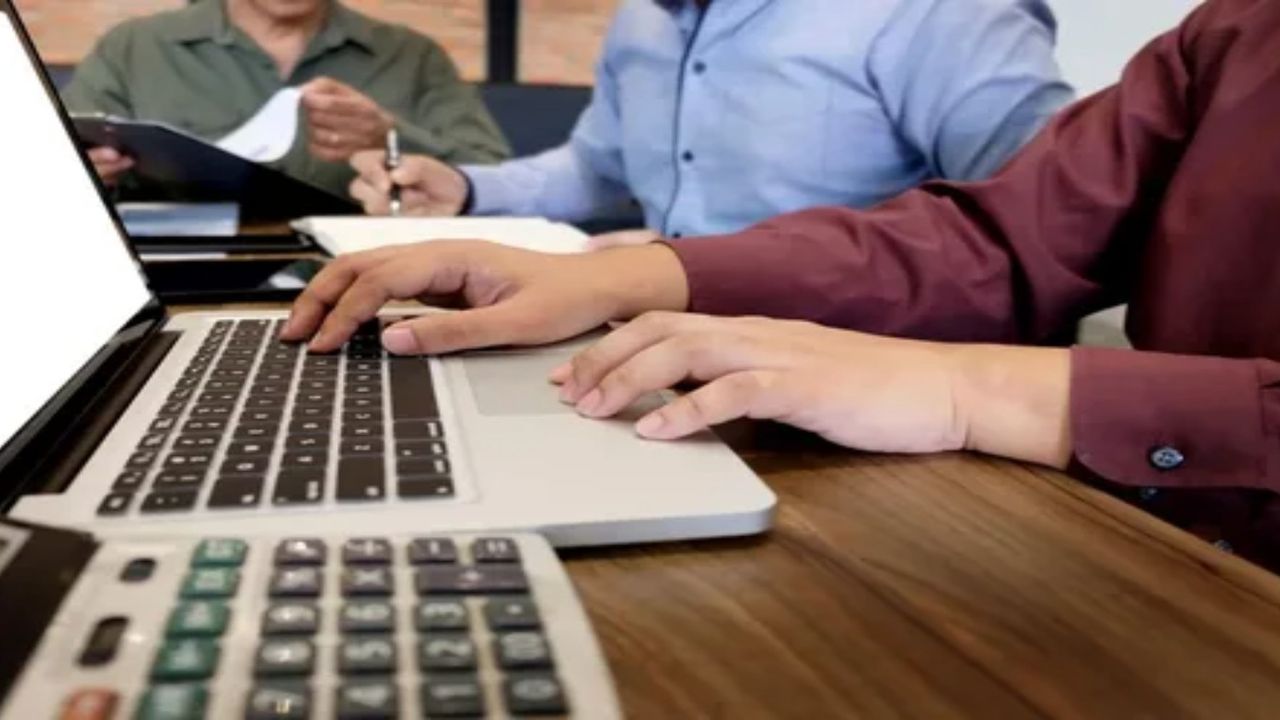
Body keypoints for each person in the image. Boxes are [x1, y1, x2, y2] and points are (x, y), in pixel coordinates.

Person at [283, 0, 1280, 570]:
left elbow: (1009, 227)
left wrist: (955, 385)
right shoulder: (1235, 32)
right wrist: (614, 270)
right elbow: (1004, 228)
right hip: (732, 353)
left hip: (900, 392)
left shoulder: (936, 13)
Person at [346, 0, 1072, 241]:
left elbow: (1044, 230)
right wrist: (468, 191)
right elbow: (597, 169)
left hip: (866, 389)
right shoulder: (641, 20)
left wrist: (709, 278)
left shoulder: (938, 13)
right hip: (656, 354)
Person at [62, 0, 510, 199]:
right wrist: (92, 177)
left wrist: (391, 136)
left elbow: (493, 179)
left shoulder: (412, 55)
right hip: (182, 282)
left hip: (367, 286)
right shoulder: (135, 46)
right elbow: (54, 170)